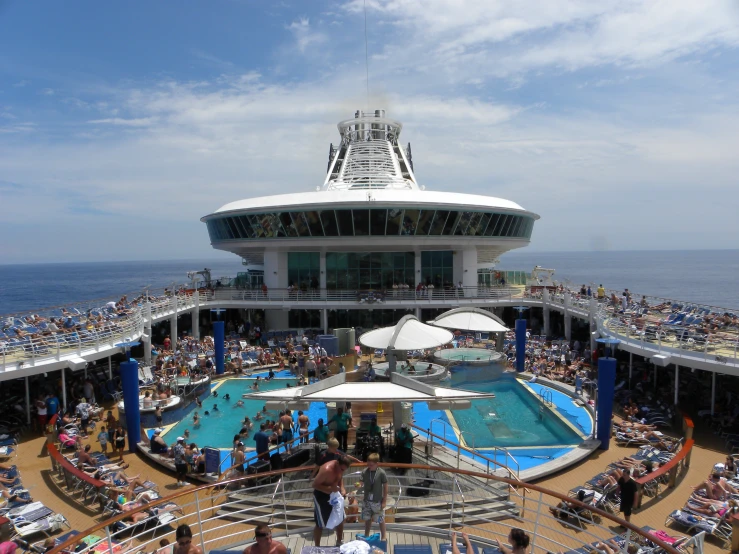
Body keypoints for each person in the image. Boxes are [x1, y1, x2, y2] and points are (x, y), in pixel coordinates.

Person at [312, 456, 351, 546]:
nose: (342, 471)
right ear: (337, 464)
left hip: (335, 495)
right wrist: (330, 488)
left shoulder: (340, 468)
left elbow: (339, 478)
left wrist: (342, 488)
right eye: (341, 469)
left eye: (344, 470)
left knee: (340, 519)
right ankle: (317, 546)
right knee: (320, 523)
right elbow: (314, 485)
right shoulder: (326, 470)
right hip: (321, 497)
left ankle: (339, 541)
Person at [360, 453, 388, 540]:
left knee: (380, 519)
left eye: (371, 465)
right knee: (367, 519)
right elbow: (361, 482)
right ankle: (366, 535)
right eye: (368, 464)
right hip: (367, 500)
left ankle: (384, 536)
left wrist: (384, 501)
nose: (369, 466)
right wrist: (358, 485)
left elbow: (385, 486)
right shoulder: (365, 472)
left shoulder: (381, 473)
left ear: (377, 464)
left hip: (377, 501)